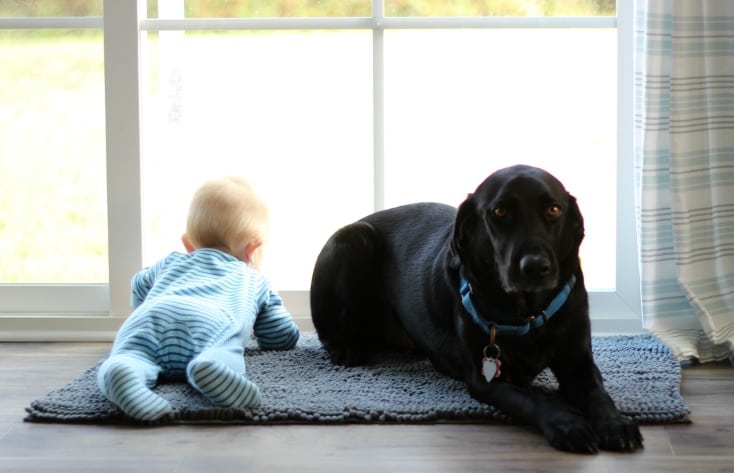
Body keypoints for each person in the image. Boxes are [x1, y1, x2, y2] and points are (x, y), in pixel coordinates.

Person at [97, 176, 300, 421]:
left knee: (129, 355)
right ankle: (210, 365)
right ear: (252, 249)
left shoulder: (171, 261)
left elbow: (138, 284)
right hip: (209, 323)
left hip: (151, 317)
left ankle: (123, 371)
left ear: (188, 243)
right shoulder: (254, 280)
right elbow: (280, 336)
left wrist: (143, 309)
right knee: (223, 348)